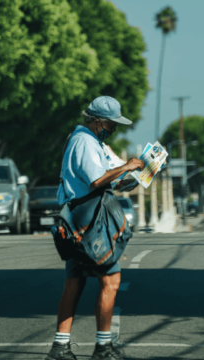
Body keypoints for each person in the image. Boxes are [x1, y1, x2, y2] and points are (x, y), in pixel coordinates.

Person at [46, 96, 145, 360]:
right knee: (110, 279)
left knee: (74, 282)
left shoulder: (93, 142)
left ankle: (60, 347)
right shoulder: (85, 142)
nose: (114, 129)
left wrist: (131, 178)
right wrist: (126, 166)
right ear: (98, 121)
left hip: (79, 219)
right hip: (87, 222)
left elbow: (110, 180)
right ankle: (102, 347)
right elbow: (96, 180)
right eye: (111, 125)